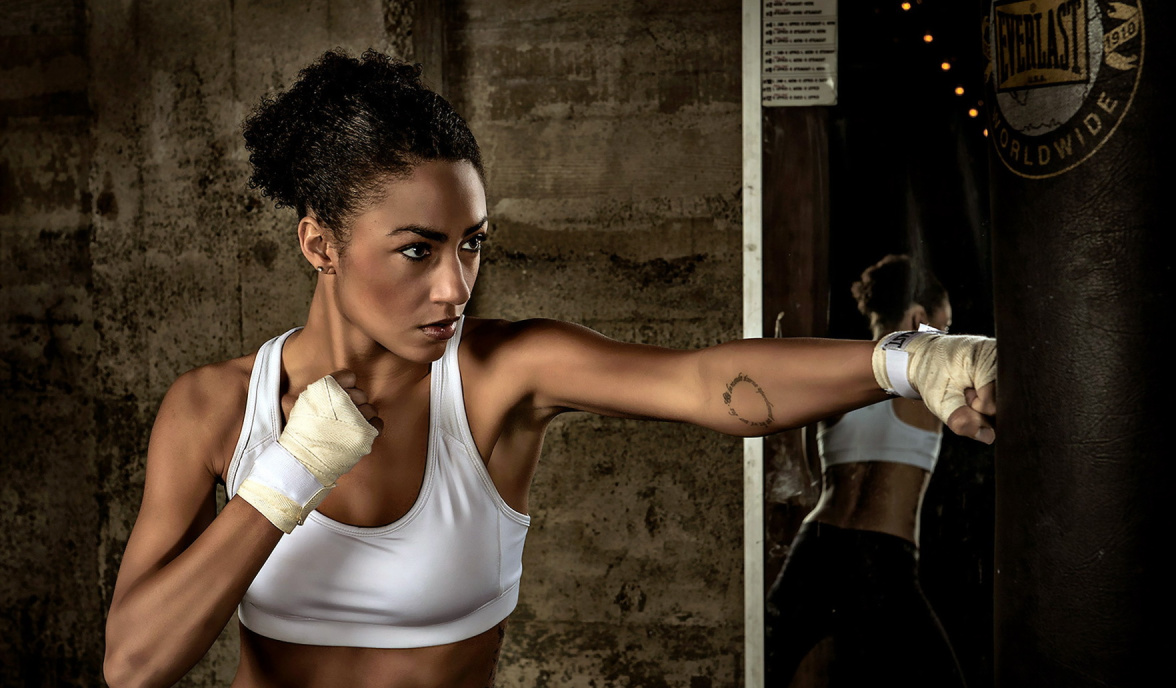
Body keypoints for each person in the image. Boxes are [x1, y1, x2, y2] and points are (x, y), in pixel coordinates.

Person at [102, 51, 996, 688]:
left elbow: (701, 384)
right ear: (319, 245)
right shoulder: (216, 407)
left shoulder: (501, 376)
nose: (455, 286)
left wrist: (910, 360)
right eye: (417, 250)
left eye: (472, 244)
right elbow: (133, 665)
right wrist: (288, 474)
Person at [764, 254, 972, 688]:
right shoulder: (933, 375)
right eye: (945, 326)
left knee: (761, 664)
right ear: (917, 319)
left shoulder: (832, 376)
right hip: (882, 558)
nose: (948, 337)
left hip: (817, 546)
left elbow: (804, 463)